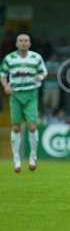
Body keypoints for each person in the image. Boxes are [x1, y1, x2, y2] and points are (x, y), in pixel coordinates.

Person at [0, 34, 48, 172]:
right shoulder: (9, 58)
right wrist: (5, 86)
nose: (23, 43)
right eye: (21, 41)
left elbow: (43, 71)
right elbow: (2, 73)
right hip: (15, 95)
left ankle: (33, 156)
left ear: (29, 43)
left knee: (32, 127)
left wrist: (39, 76)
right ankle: (16, 159)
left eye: (26, 40)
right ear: (16, 44)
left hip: (31, 94)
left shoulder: (36, 57)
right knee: (16, 128)